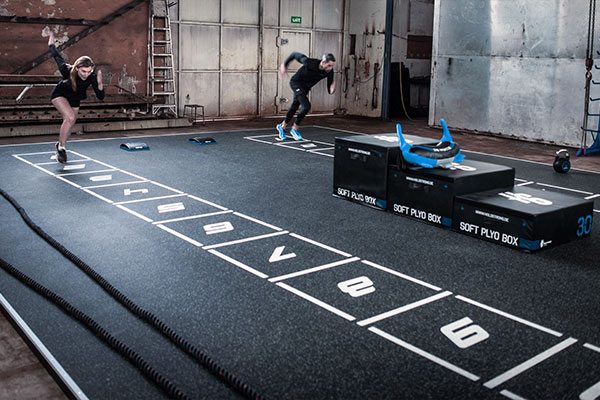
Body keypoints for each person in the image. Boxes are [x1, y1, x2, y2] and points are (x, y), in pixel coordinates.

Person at [47, 31, 104, 163]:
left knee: (70, 123)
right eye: (83, 71)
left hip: (75, 98)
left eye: (89, 72)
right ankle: (61, 149)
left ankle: (59, 144)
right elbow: (57, 57)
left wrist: (100, 84)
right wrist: (51, 44)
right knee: (70, 117)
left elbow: (100, 97)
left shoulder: (93, 77)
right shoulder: (67, 70)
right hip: (60, 94)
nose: (86, 74)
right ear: (77, 68)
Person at [277, 52, 336, 141]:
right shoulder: (309, 62)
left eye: (332, 66)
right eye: (329, 65)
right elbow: (294, 54)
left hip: (305, 88)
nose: (330, 68)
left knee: (295, 106)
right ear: (323, 62)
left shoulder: (329, 71)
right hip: (296, 83)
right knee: (306, 106)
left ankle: (282, 126)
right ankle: (294, 129)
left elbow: (330, 87)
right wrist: (284, 65)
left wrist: (332, 88)